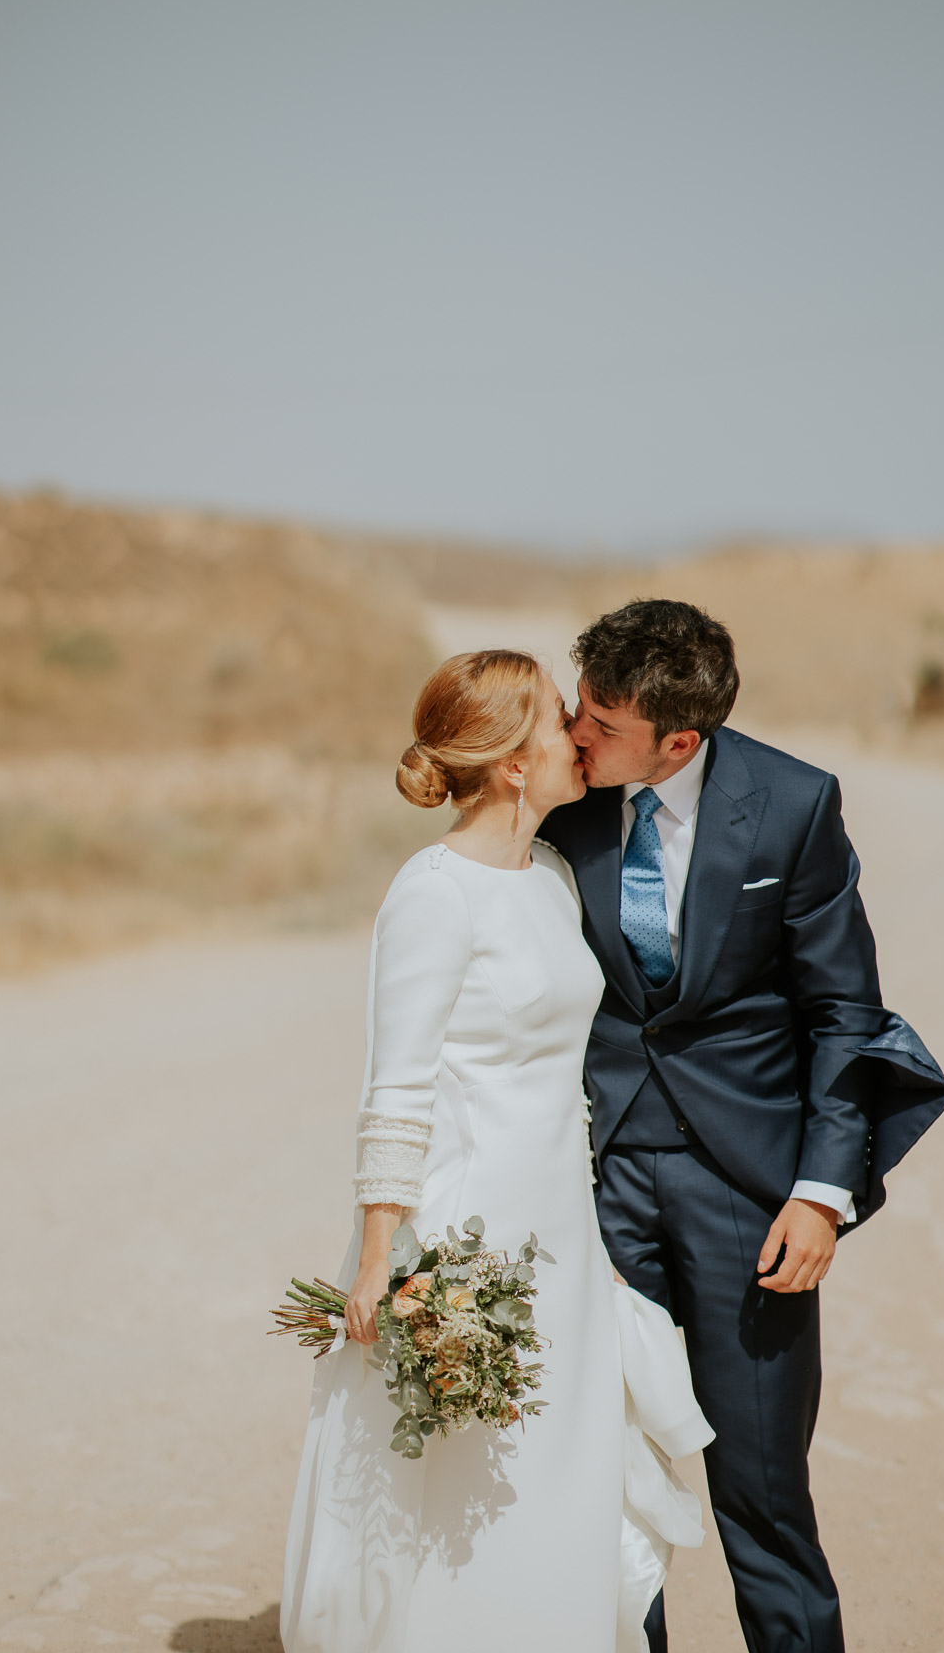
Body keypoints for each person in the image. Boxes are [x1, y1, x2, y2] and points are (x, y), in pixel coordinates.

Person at [538, 599, 944, 1653]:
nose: (573, 732)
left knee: (761, 1486)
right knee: (597, 1475)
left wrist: (822, 1191)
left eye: (601, 723)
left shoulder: (793, 806)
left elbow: (843, 1011)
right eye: (578, 704)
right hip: (596, 1176)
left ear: (680, 739)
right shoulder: (563, 794)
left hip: (750, 1191)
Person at [280, 649, 713, 1653]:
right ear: (515, 763)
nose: (578, 733)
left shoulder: (555, 875)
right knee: (460, 1479)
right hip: (464, 1238)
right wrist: (382, 1256)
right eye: (561, 721)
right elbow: (395, 1081)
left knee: (553, 1468)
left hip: (562, 1232)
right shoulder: (433, 893)